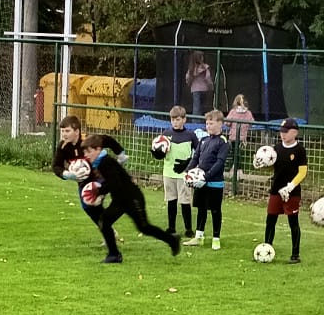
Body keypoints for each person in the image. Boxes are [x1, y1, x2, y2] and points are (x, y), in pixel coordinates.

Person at [84, 135, 181, 260]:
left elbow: (114, 183)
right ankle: (114, 254)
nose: (86, 155)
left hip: (132, 198)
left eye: (89, 151)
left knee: (144, 227)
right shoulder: (99, 163)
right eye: (85, 152)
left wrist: (98, 191)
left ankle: (172, 240)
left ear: (98, 149)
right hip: (120, 199)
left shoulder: (106, 162)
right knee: (104, 221)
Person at [53, 116, 122, 262]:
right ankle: (108, 230)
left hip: (99, 176)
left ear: (77, 131)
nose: (64, 134)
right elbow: (56, 166)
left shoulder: (89, 140)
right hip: (83, 181)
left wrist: (120, 153)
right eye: (62, 131)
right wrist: (66, 174)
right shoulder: (63, 147)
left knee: (94, 201)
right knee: (88, 206)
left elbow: (108, 140)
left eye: (67, 131)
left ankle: (108, 232)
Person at [263, 118, 308, 262]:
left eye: (286, 132)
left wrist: (290, 187)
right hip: (276, 190)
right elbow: (272, 167)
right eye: (281, 131)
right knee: (270, 220)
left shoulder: (299, 150)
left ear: (295, 132)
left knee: (293, 222)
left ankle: (295, 254)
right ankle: (266, 249)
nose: (283, 134)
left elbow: (302, 172)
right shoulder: (276, 149)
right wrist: (261, 164)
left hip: (291, 193)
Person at [187, 109, 229, 247]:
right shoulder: (204, 140)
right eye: (207, 123)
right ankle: (199, 237)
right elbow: (196, 158)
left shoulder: (223, 142)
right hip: (200, 181)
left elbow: (220, 162)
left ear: (220, 124)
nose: (208, 126)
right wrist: (188, 172)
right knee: (201, 208)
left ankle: (216, 238)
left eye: (211, 123)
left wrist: (207, 176)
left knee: (215, 210)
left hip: (214, 182)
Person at [159, 105, 200, 238]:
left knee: (185, 201)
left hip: (184, 174)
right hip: (168, 172)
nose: (175, 122)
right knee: (171, 200)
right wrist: (157, 153)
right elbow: (160, 151)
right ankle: (171, 227)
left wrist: (188, 163)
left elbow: (199, 152)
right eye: (173, 120)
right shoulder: (166, 134)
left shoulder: (190, 135)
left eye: (178, 120)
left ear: (184, 120)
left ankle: (188, 229)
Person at [225, 93, 254, 184]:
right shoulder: (248, 113)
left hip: (233, 136)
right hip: (242, 137)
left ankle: (236, 172)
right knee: (239, 154)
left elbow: (227, 123)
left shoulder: (233, 112)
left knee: (235, 154)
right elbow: (251, 123)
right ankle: (238, 172)